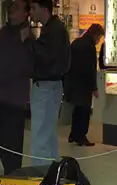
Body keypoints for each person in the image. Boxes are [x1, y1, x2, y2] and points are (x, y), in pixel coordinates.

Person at [0, 0, 33, 173]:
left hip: (13, 97)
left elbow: (17, 65)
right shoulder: (5, 32)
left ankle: (14, 178)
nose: (12, 10)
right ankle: (10, 174)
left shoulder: (25, 36)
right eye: (12, 6)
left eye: (17, 8)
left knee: (11, 145)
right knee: (0, 142)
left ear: (26, 13)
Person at [24, 0, 71, 166]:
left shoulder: (52, 30)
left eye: (33, 8)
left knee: (40, 134)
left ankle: (41, 174)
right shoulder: (56, 28)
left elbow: (43, 55)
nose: (31, 12)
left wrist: (29, 40)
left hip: (44, 85)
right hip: (54, 84)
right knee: (48, 132)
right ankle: (50, 170)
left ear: (44, 10)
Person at [65, 23, 104, 146]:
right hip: (84, 85)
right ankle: (81, 136)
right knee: (84, 111)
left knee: (77, 110)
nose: (99, 41)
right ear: (95, 35)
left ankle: (74, 134)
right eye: (99, 37)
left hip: (73, 82)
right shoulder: (89, 47)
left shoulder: (76, 42)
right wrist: (94, 88)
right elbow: (90, 69)